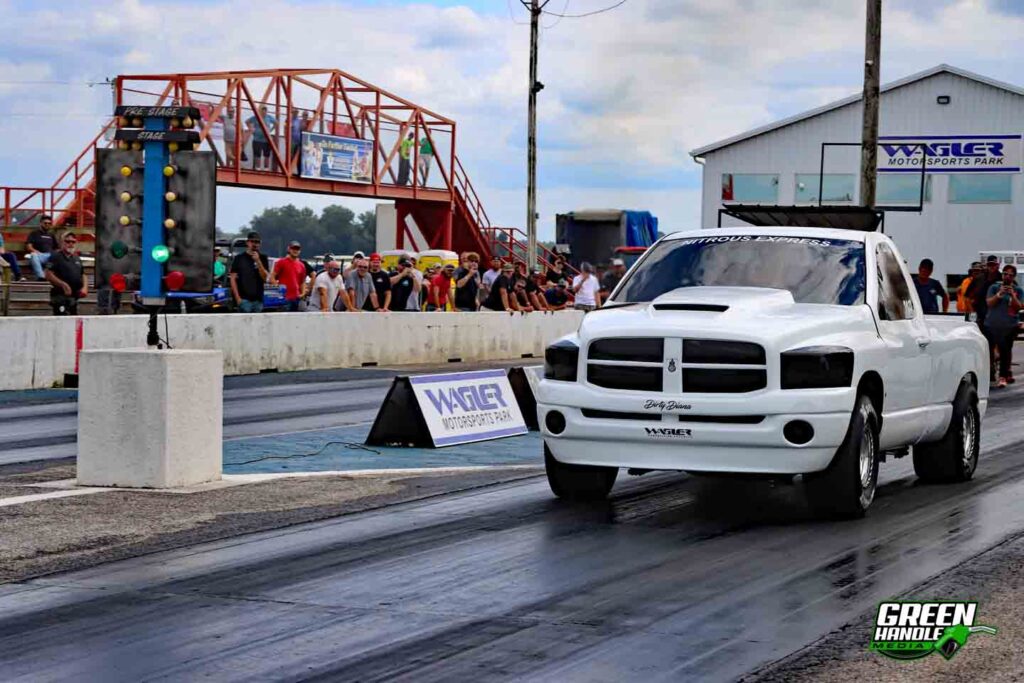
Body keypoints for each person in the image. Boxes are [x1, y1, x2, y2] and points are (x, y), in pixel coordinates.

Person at [985, 264, 1023, 388]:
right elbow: (989, 303)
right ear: (1002, 275)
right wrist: (999, 295)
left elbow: (1019, 307)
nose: (1007, 277)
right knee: (988, 351)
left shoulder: (1018, 290)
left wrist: (1012, 295)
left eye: (1010, 275)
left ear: (1014, 277)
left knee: (1005, 351)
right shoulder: (994, 287)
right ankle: (988, 373)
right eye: (1005, 274)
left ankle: (1003, 376)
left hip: (1009, 326)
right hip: (991, 324)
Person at [44, 231, 86, 316]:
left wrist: (85, 287)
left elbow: (83, 274)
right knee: (61, 320)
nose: (70, 244)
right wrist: (63, 285)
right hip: (60, 296)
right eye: (67, 241)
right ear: (62, 243)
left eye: (73, 242)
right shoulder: (55, 256)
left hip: (74, 296)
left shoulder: (76, 258)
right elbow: (48, 274)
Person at [230, 231, 270, 312]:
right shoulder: (239, 258)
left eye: (257, 242)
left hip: (258, 300)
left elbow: (265, 278)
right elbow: (232, 278)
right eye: (252, 241)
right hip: (244, 299)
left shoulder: (263, 258)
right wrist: (238, 298)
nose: (255, 244)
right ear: (248, 242)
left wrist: (258, 261)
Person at [270, 240, 307, 311]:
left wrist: (303, 293)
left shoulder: (301, 265)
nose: (295, 251)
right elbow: (272, 278)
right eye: (293, 248)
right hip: (284, 299)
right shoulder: (281, 262)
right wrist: (280, 291)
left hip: (296, 298)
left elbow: (302, 281)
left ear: (300, 251)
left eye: (297, 249)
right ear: (289, 249)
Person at [246, 105, 277, 172]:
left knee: (267, 155)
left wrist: (271, 130)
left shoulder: (269, 117)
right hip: (257, 139)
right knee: (257, 154)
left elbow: (276, 123)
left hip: (267, 140)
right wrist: (251, 129)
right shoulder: (256, 117)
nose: (264, 112)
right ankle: (258, 168)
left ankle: (266, 169)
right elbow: (247, 121)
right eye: (262, 111)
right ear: (260, 111)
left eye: (265, 111)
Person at [26, 215, 56, 280]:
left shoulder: (51, 235)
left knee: (57, 256)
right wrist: (35, 251)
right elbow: (29, 246)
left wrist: (54, 254)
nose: (47, 225)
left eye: (49, 223)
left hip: (50, 256)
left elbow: (57, 248)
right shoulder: (34, 233)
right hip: (39, 255)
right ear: (41, 223)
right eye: (45, 223)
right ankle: (41, 277)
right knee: (33, 255)